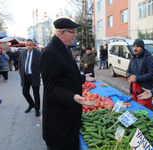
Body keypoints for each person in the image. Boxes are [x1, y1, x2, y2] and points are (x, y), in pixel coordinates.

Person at [39, 18, 97, 150]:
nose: (75, 35)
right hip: (59, 119)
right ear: (61, 33)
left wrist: (83, 79)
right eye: (73, 32)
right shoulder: (50, 53)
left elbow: (65, 74)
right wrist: (73, 97)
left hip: (67, 114)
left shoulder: (63, 48)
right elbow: (51, 88)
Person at [126, 38, 153, 110]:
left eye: (137, 46)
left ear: (142, 48)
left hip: (144, 91)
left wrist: (137, 78)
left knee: (144, 112)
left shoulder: (149, 58)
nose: (135, 48)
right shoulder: (132, 59)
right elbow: (127, 71)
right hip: (134, 91)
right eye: (134, 46)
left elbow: (152, 74)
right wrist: (130, 76)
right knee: (134, 110)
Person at [18, 39, 41, 117]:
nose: (28, 46)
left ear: (33, 45)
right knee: (25, 93)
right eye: (27, 45)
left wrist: (39, 73)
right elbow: (20, 64)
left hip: (34, 76)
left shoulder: (38, 53)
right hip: (25, 76)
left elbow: (42, 64)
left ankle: (37, 109)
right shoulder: (22, 53)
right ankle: (32, 104)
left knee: (36, 94)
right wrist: (21, 73)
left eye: (30, 45)